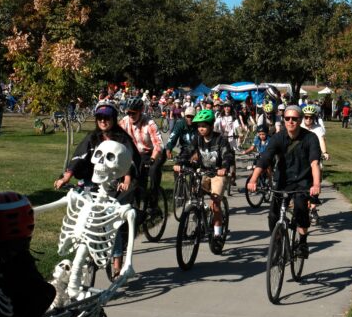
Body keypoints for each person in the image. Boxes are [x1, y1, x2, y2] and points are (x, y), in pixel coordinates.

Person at [54, 101, 140, 277]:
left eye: (106, 117)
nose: (103, 121)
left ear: (113, 119)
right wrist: (66, 176)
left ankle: (117, 262)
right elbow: (79, 157)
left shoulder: (123, 139)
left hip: (114, 184)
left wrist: (127, 179)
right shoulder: (92, 137)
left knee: (111, 222)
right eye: (100, 117)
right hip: (92, 182)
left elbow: (130, 161)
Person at [247, 105, 321, 258]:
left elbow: (314, 162)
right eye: (287, 118)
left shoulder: (310, 138)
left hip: (302, 181)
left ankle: (302, 242)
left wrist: (316, 184)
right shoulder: (278, 137)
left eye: (294, 119)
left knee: (301, 208)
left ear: (300, 120)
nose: (291, 121)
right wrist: (253, 179)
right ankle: (278, 241)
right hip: (282, 180)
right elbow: (265, 158)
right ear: (284, 120)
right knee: (273, 215)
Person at [175, 109, 234, 252]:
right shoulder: (197, 138)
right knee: (195, 196)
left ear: (211, 125)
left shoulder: (220, 140)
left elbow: (227, 155)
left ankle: (218, 233)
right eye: (198, 126)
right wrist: (180, 162)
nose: (201, 128)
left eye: (204, 125)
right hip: (203, 172)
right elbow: (188, 150)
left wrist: (224, 167)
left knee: (215, 203)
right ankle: (199, 219)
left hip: (218, 174)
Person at [119, 97, 166, 218]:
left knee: (153, 170)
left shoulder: (149, 123)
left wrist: (152, 159)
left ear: (141, 111)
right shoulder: (125, 121)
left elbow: (158, 145)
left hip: (153, 152)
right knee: (136, 177)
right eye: (128, 112)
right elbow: (116, 135)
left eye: (133, 113)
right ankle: (136, 202)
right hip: (136, 153)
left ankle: (153, 204)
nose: (130, 115)